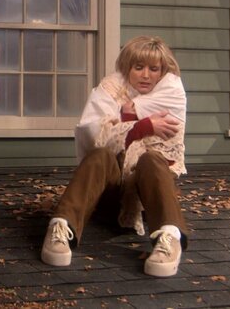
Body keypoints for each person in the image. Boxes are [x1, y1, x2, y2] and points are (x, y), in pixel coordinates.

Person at [41, 36, 188, 277]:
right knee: (100, 154)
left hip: (146, 198)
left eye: (153, 69)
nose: (146, 75)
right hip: (106, 193)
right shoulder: (110, 89)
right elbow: (94, 135)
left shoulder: (170, 93)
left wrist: (130, 118)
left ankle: (169, 236)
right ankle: (61, 225)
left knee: (152, 159)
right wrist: (142, 126)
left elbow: (166, 153)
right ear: (127, 67)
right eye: (138, 67)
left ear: (162, 72)